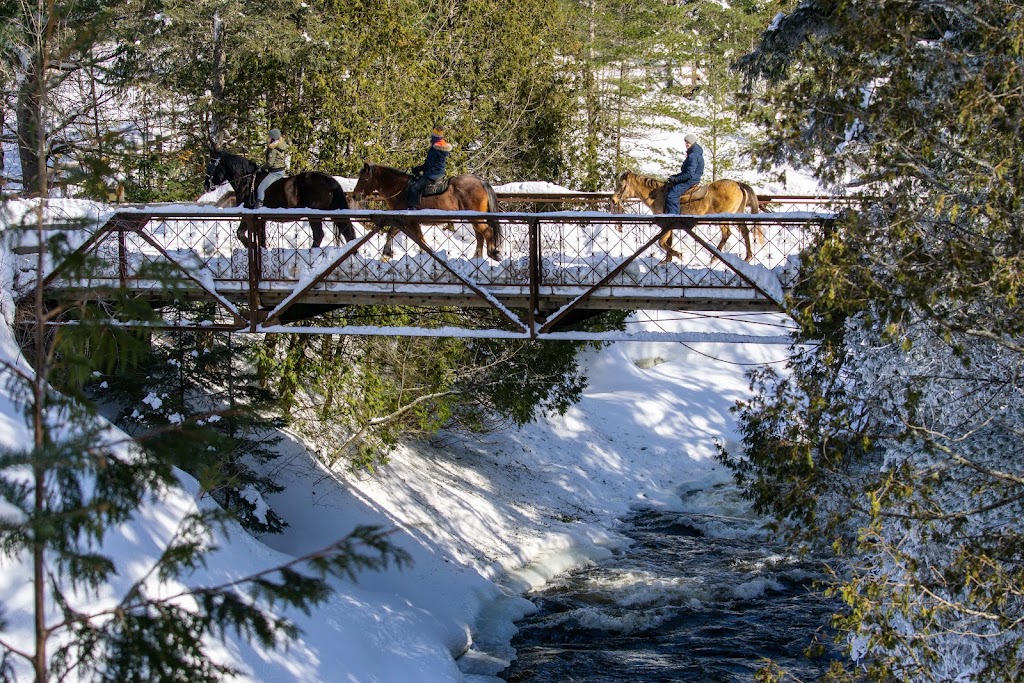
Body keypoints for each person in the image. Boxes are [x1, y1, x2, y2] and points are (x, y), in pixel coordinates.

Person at [406, 125, 452, 210]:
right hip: (440, 173)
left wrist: (418, 169)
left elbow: (429, 164)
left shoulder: (434, 149)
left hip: (432, 174)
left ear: (434, 138)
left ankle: (413, 208)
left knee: (414, 188)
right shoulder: (443, 148)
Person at [664, 133, 704, 214]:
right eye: (685, 142)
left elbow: (689, 174)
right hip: (692, 178)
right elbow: (686, 172)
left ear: (692, 143)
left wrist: (676, 179)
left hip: (690, 180)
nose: (686, 144)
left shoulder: (693, 156)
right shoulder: (695, 153)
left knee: (672, 196)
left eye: (688, 142)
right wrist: (675, 176)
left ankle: (673, 218)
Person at [254, 128, 289, 208]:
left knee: (261, 188)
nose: (268, 138)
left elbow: (270, 163)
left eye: (269, 137)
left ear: (273, 138)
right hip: (281, 170)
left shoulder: (273, 148)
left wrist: (261, 168)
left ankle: (259, 206)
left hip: (275, 172)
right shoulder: (280, 145)